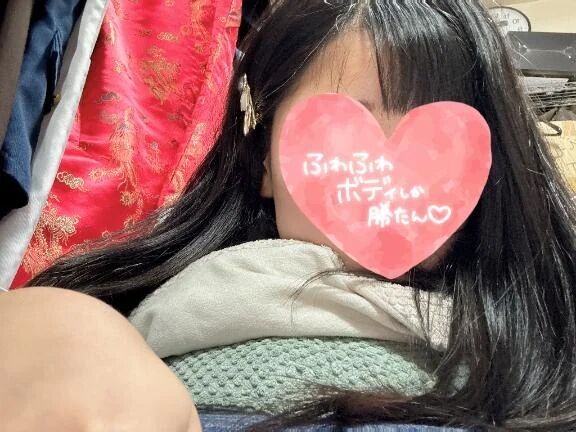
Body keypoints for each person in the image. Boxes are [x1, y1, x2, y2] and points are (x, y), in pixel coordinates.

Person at [3, 0, 576, 430]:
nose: (389, 170)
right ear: (266, 163)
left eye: (439, 146)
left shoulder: (541, 363)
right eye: (343, 128)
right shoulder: (100, 334)